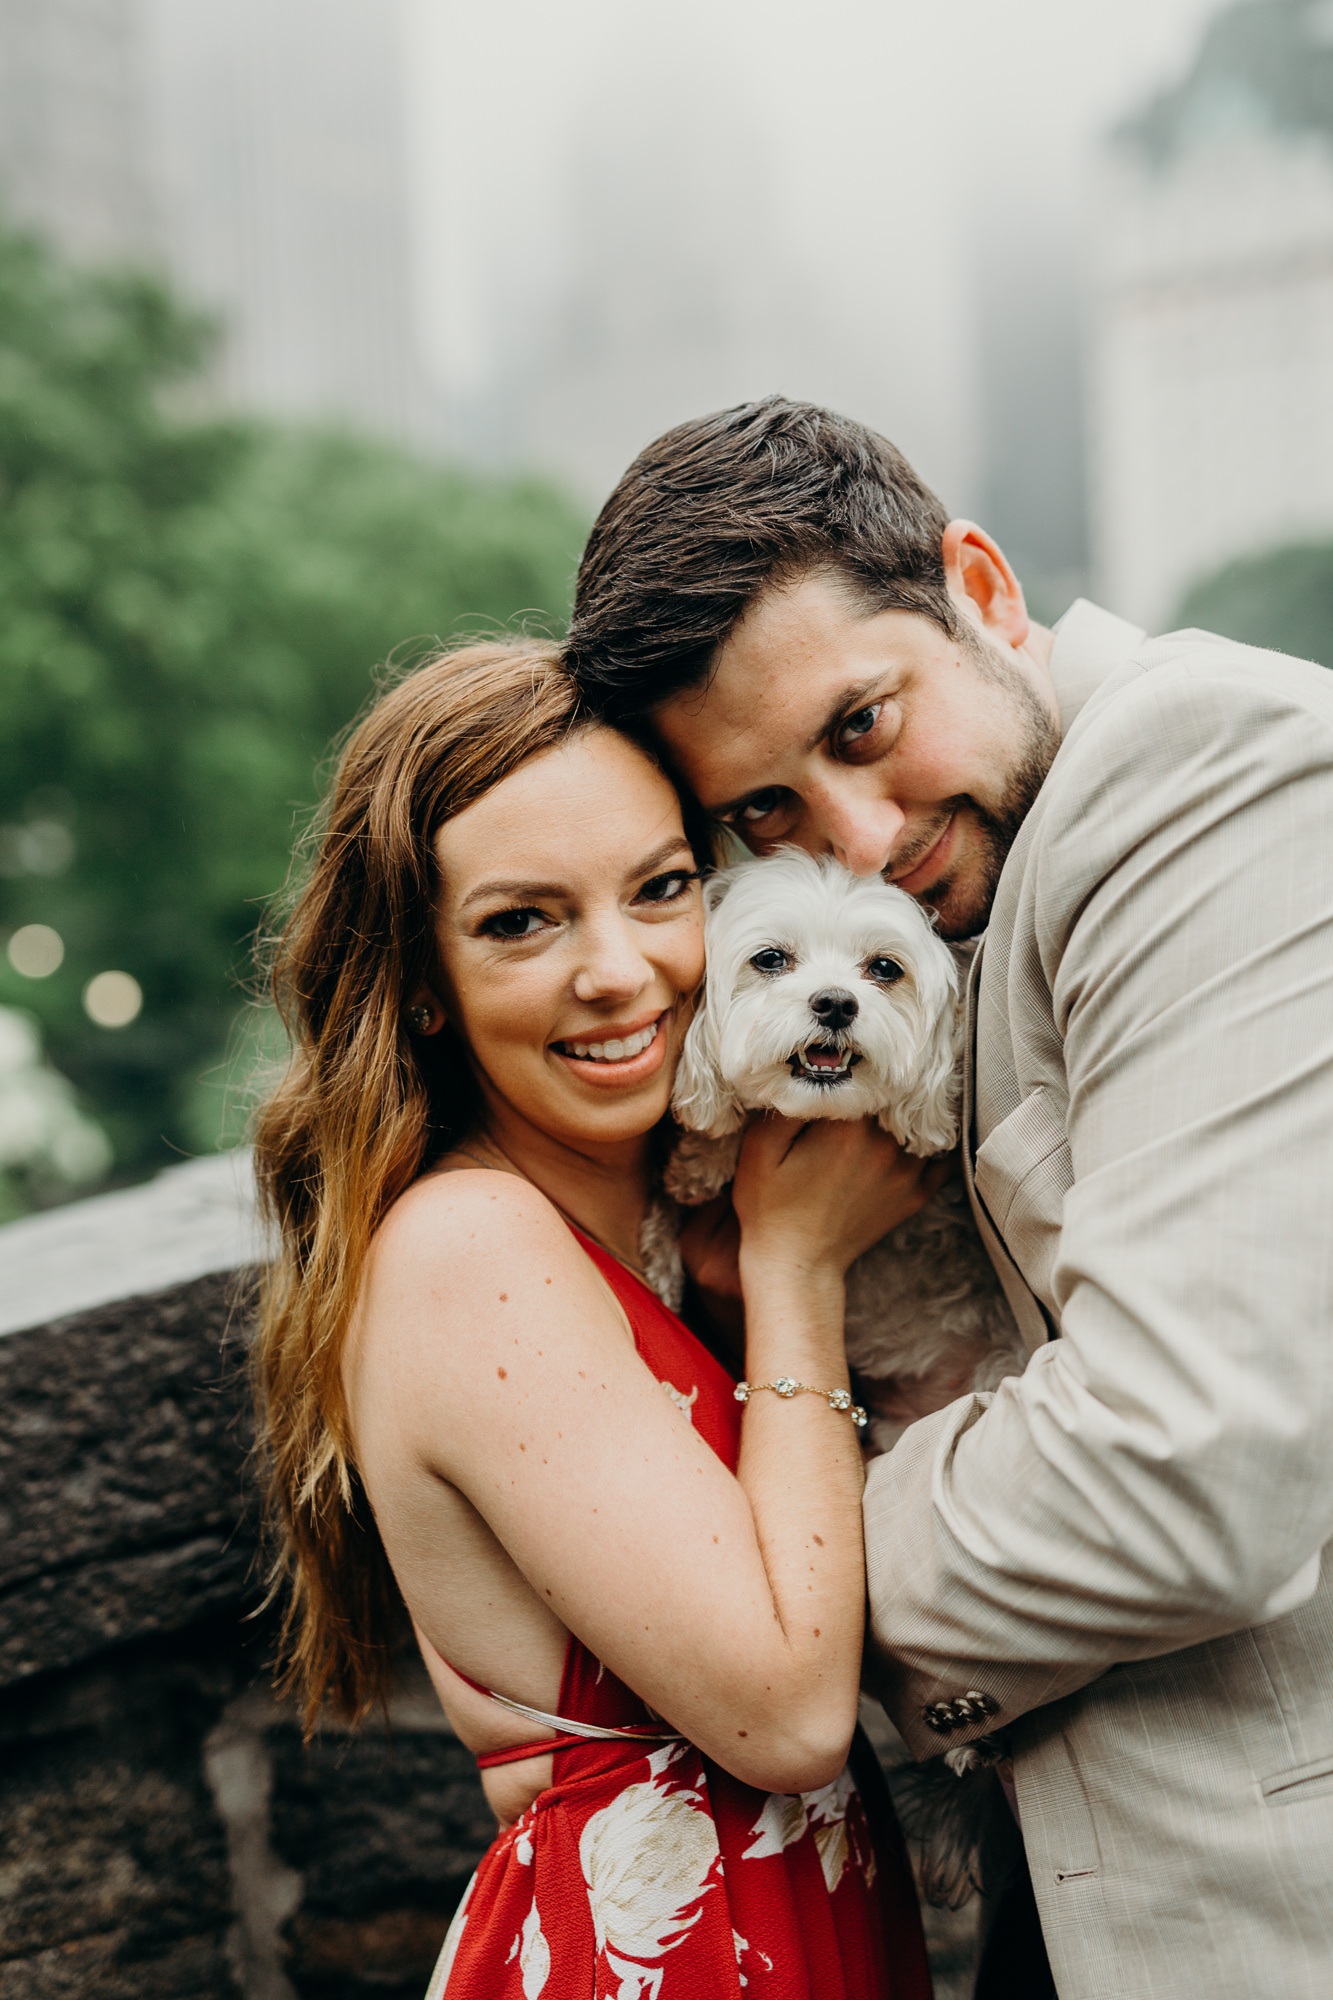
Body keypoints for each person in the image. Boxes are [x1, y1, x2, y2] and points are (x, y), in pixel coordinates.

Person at [564, 397, 1333, 2000]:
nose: (858, 840)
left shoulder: (1207, 768)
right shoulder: (995, 846)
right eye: (762, 811)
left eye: (858, 726)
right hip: (1078, 1867)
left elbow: (1181, 1469)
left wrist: (770, 1595)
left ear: (978, 587)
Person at [250, 639, 937, 2000]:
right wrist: (798, 1274)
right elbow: (790, 1716)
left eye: (662, 890)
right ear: (424, 984)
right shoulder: (470, 1250)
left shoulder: (633, 1226)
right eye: (522, 921)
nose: (620, 971)